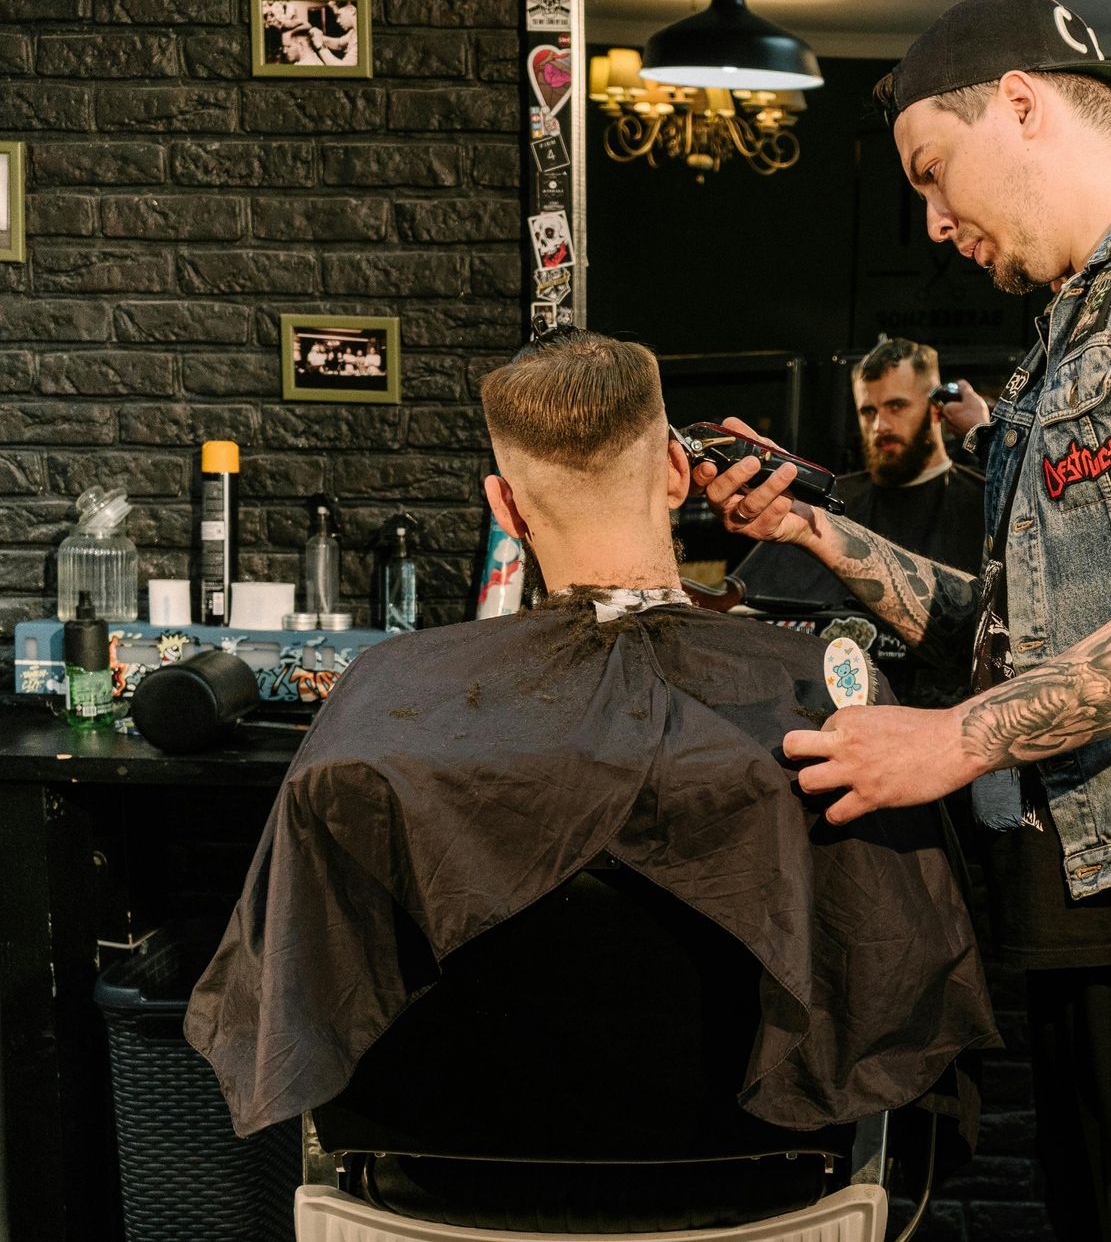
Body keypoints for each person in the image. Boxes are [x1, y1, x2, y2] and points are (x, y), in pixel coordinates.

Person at [694, 0, 1111, 1242]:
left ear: (1021, 105)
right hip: (1106, 893)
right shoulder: (1079, 328)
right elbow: (1020, 637)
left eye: (935, 174)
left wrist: (953, 742)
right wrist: (811, 528)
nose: (936, 223)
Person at [186, 330, 997, 1150]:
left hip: (441, 1169)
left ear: (504, 508)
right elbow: (898, 979)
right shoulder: (828, 701)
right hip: (752, 1167)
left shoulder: (381, 702)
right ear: (679, 474)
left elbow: (297, 988)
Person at [733, 335, 985, 701]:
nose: (880, 425)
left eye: (897, 406)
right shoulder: (825, 501)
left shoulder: (982, 499)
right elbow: (738, 600)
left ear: (937, 409)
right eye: (869, 411)